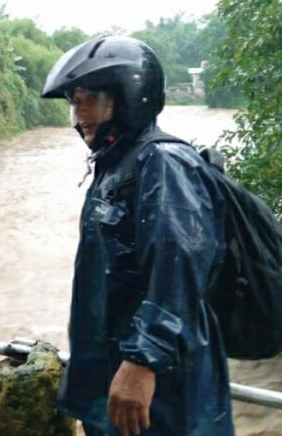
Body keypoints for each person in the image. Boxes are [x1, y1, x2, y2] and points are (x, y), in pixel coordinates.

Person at [40, 36, 234, 436]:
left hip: (160, 389)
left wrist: (143, 362)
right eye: (74, 103)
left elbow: (179, 271)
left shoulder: (163, 164)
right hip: (115, 379)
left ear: (128, 97)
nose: (79, 115)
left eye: (88, 100)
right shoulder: (114, 167)